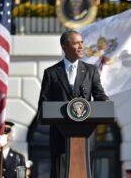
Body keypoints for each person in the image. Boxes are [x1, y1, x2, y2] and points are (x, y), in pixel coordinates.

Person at [37, 30, 109, 177]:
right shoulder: (51, 73)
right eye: (76, 43)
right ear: (64, 47)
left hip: (86, 140)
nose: (81, 46)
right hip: (60, 140)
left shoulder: (91, 71)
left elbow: (99, 95)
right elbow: (43, 105)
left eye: (82, 42)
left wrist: (106, 105)